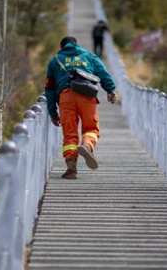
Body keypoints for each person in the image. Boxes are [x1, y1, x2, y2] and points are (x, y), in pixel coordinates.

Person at [45, 36, 117, 179]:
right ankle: (87, 145)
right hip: (87, 94)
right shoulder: (89, 56)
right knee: (91, 128)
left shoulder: (55, 60)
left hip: (66, 96)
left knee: (69, 133)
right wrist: (110, 90)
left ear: (62, 47)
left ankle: (71, 169)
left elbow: (49, 89)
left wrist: (53, 113)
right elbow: (103, 73)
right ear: (76, 45)